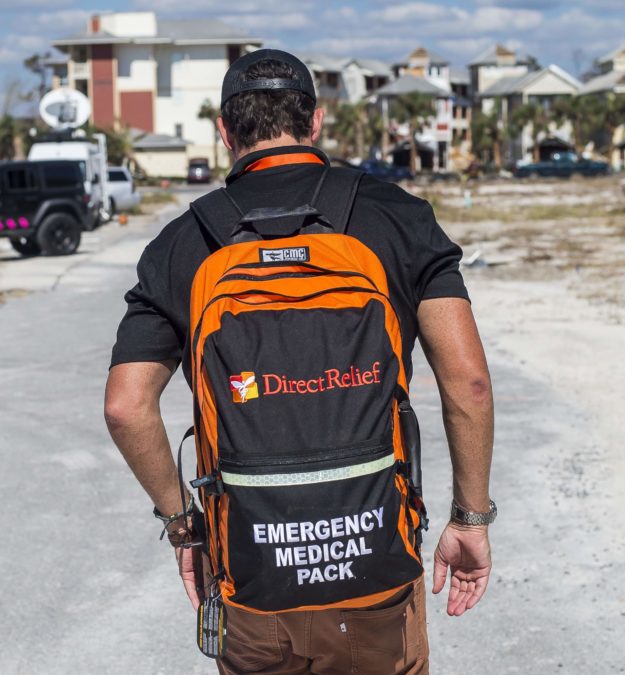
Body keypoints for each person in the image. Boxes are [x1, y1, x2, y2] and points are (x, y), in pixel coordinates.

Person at [104, 49, 495, 674]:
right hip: (378, 573)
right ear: (314, 124)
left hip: (255, 582)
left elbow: (126, 408)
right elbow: (468, 382)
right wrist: (470, 517)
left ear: (225, 133)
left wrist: (186, 527)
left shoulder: (183, 244)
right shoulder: (398, 217)